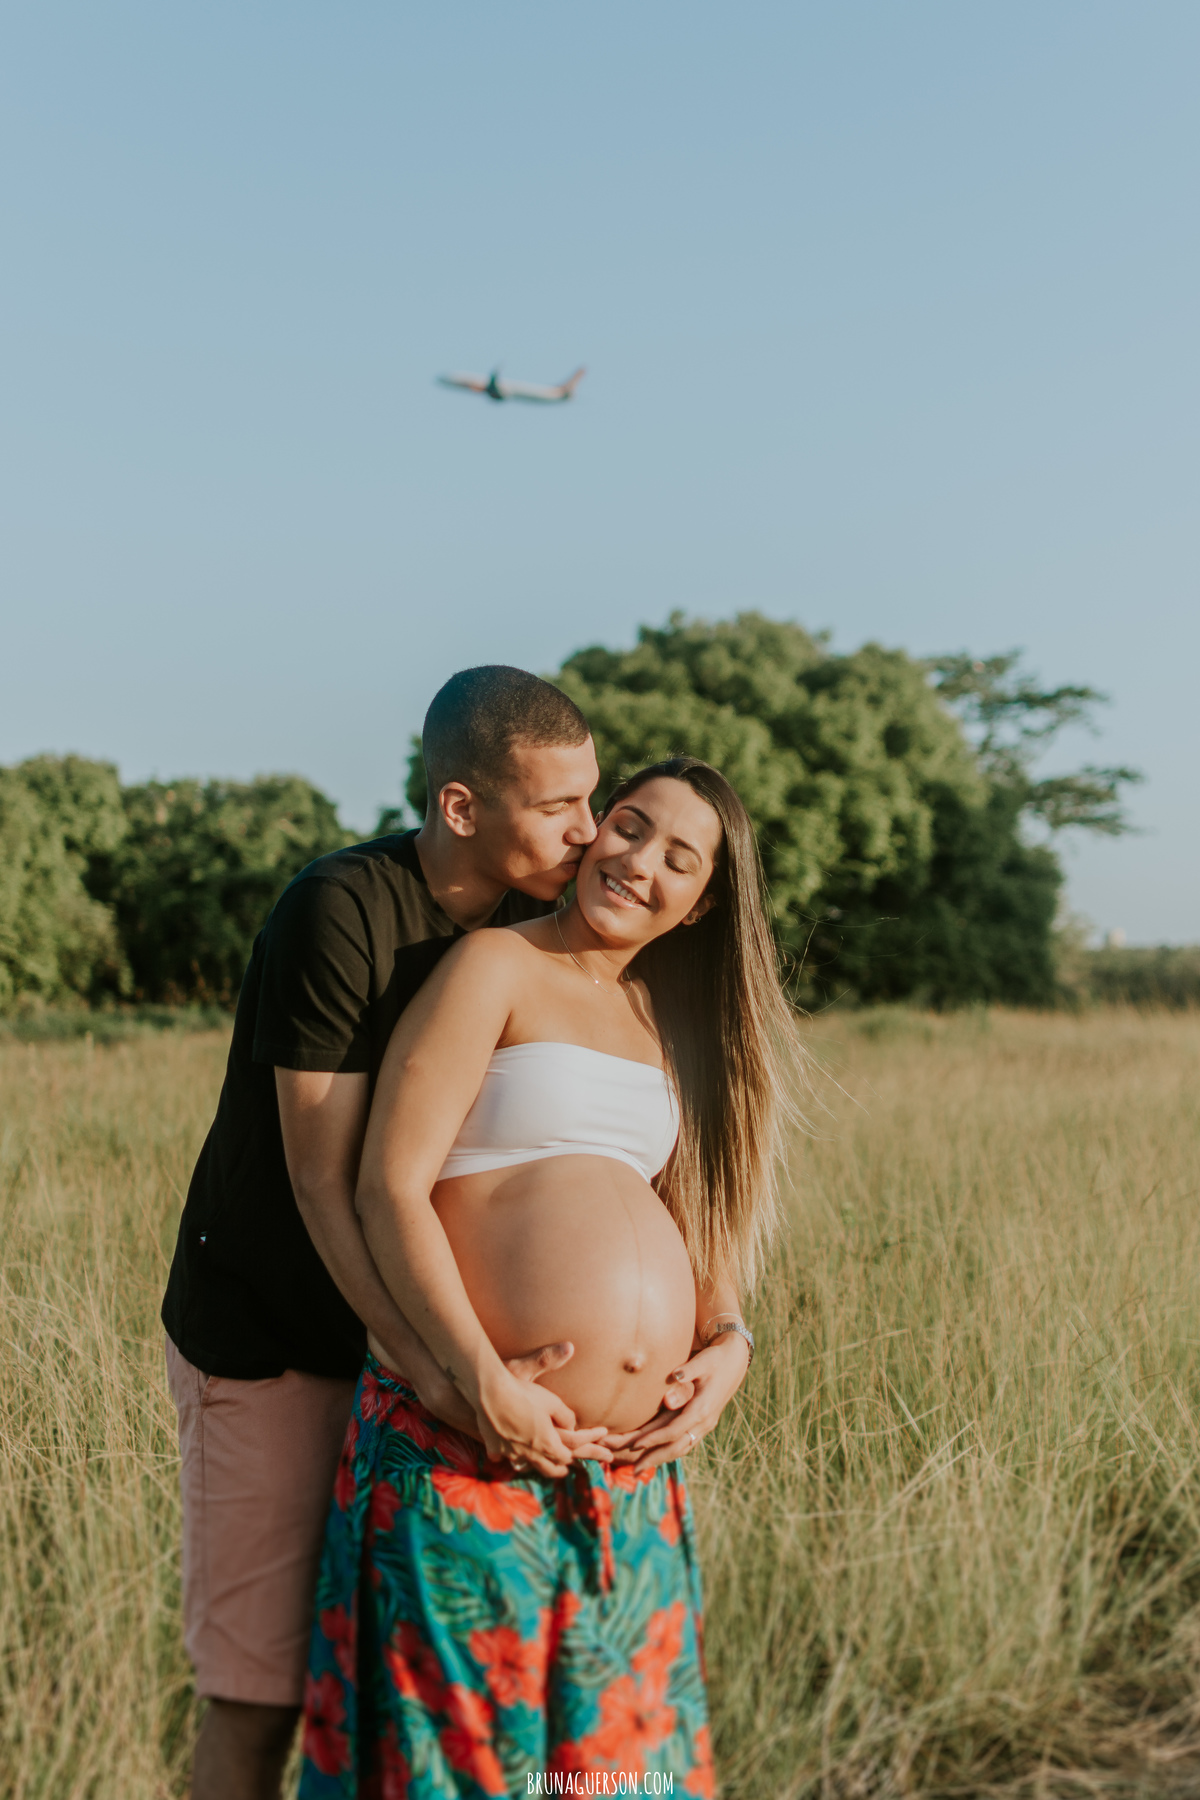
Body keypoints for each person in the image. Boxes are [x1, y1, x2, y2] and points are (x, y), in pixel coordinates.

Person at [299, 757, 803, 1797]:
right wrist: (479, 1381)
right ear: (592, 832)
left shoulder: (669, 1021)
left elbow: (689, 1212)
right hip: (466, 1445)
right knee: (466, 1766)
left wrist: (730, 1343)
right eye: (629, 825)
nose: (639, 863)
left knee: (617, 1773)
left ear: (702, 902)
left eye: (680, 858)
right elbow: (388, 1189)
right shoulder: (495, 966)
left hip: (626, 1474)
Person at [162, 666, 605, 1800]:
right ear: (461, 808)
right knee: (260, 1699)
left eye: (591, 801)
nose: (588, 832)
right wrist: (449, 1378)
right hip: (280, 1345)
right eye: (560, 808)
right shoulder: (340, 911)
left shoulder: (536, 930)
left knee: (409, 1696)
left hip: (421, 1365)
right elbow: (327, 1184)